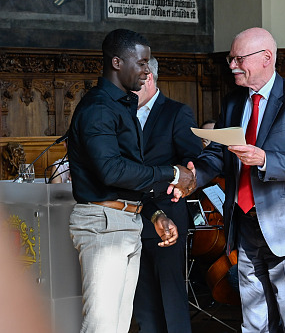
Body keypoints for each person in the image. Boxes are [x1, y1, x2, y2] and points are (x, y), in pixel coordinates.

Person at [171, 27, 285, 333]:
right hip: (243, 224)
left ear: (267, 57)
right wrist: (192, 176)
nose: (232, 65)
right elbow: (217, 154)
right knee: (253, 320)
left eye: (238, 58)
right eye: (231, 58)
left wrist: (265, 159)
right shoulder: (232, 102)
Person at [67, 29, 195, 333]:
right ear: (116, 62)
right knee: (101, 326)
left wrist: (154, 213)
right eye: (141, 63)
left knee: (119, 326)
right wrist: (173, 173)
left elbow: (129, 175)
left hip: (126, 220)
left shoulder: (121, 106)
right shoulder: (99, 108)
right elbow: (112, 172)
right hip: (103, 224)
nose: (147, 71)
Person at [132, 57, 203, 333]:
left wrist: (166, 177)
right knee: (144, 305)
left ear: (148, 77)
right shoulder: (122, 113)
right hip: (129, 216)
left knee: (171, 302)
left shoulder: (176, 112)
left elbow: (191, 163)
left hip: (167, 217)